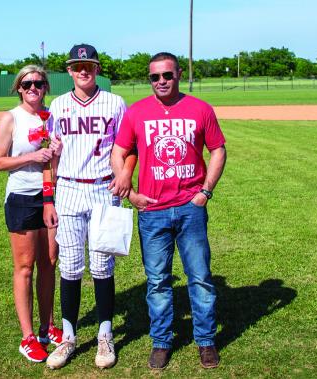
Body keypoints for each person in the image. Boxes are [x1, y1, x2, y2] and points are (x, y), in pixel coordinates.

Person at [111, 52, 227, 370]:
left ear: (178, 74)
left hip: (190, 209)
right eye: (154, 77)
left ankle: (205, 341)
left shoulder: (200, 109)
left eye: (167, 75)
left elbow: (218, 150)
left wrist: (205, 191)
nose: (161, 81)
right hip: (153, 212)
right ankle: (162, 342)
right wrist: (132, 194)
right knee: (158, 281)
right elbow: (118, 152)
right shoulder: (136, 113)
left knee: (200, 278)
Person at [42, 43, 131, 370]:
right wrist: (48, 197)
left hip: (103, 188)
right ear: (69, 70)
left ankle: (105, 334)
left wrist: (124, 173)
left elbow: (127, 146)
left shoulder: (114, 102)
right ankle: (68, 336)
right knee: (70, 265)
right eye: (78, 66)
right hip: (68, 188)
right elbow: (51, 156)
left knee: (103, 264)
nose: (83, 70)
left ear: (97, 68)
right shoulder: (58, 106)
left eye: (89, 65)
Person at [0, 65, 63, 363]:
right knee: (25, 266)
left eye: (39, 83)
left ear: (46, 87)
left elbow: (57, 166)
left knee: (50, 262)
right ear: (19, 88)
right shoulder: (11, 118)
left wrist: (56, 152)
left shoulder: (53, 117)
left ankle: (47, 328)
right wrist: (32, 156)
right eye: (27, 84)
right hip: (22, 197)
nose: (33, 88)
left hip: (51, 195)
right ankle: (28, 336)